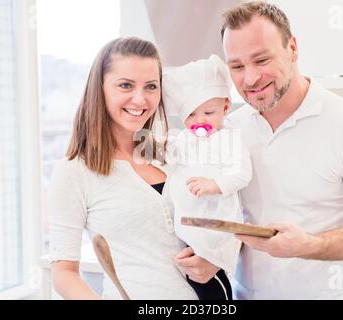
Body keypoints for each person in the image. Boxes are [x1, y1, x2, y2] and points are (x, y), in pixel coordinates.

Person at [220, 1, 343, 299]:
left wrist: (310, 245)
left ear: (292, 48)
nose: (249, 79)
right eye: (237, 66)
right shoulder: (228, 130)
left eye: (261, 60)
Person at [48, 37, 218, 300]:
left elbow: (219, 223)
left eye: (151, 86)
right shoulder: (74, 172)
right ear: (100, 89)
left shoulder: (174, 154)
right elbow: (64, 273)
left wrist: (216, 260)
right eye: (125, 85)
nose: (140, 99)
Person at [162, 54, 252, 299]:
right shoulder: (184, 138)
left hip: (216, 216)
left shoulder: (230, 138)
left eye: (208, 112)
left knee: (212, 279)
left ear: (225, 107)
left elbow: (243, 173)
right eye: (190, 116)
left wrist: (216, 184)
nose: (199, 121)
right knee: (191, 273)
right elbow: (171, 160)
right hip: (187, 219)